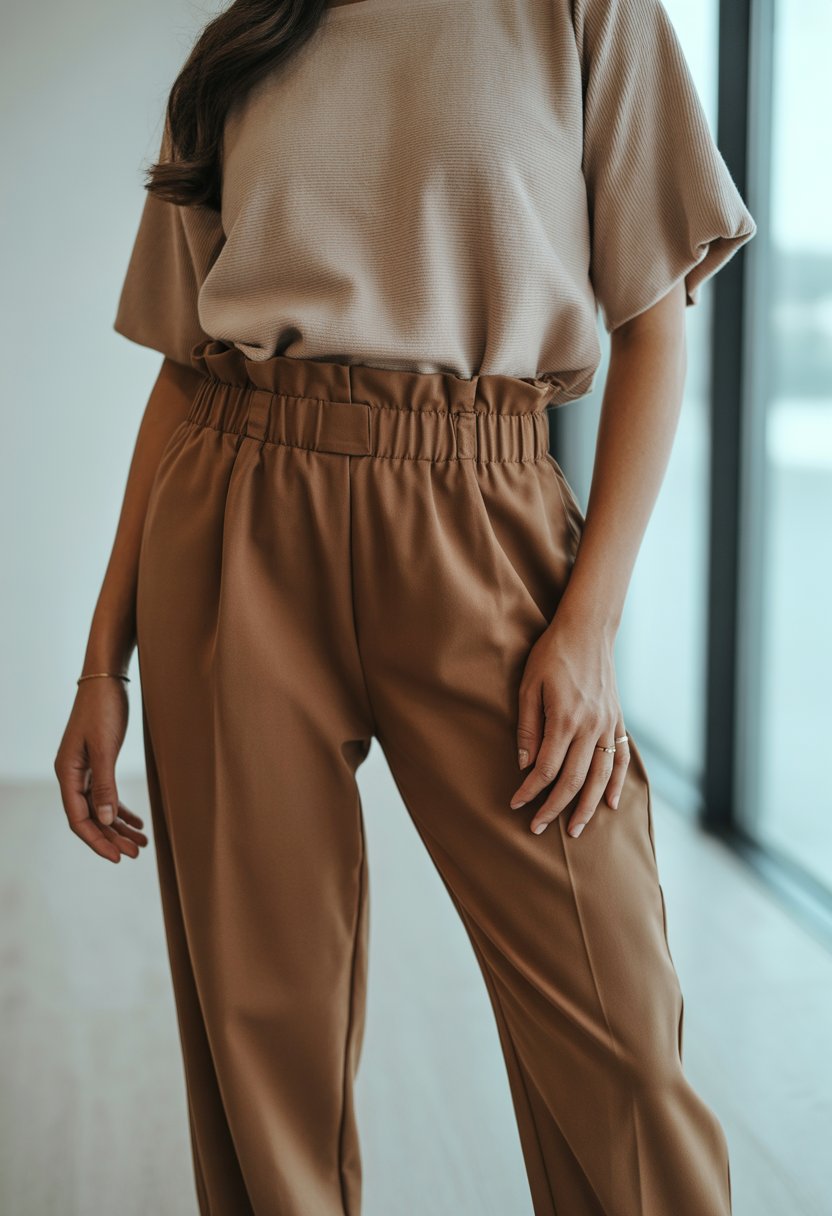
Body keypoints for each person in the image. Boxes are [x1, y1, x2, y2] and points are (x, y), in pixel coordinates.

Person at [54, 0, 757, 1212]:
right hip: (233, 512)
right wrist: (97, 665)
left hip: (479, 515)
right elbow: (185, 367)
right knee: (259, 1042)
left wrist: (586, 629)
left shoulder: (583, 12)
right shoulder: (243, 40)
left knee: (619, 1035)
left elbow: (652, 328)